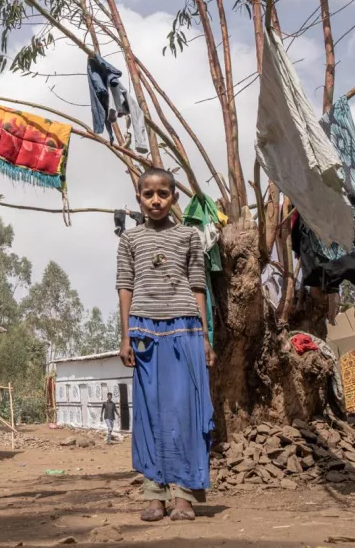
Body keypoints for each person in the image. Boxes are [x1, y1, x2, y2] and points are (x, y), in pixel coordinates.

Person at [116, 167, 214, 523]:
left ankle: (184, 496)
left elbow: (198, 287)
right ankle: (154, 495)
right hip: (144, 331)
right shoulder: (129, 240)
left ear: (174, 197)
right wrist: (125, 335)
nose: (155, 200)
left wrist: (205, 337)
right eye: (148, 194)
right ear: (139, 198)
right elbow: (125, 286)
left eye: (163, 193)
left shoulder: (189, 236)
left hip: (185, 329)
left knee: (185, 413)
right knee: (149, 414)